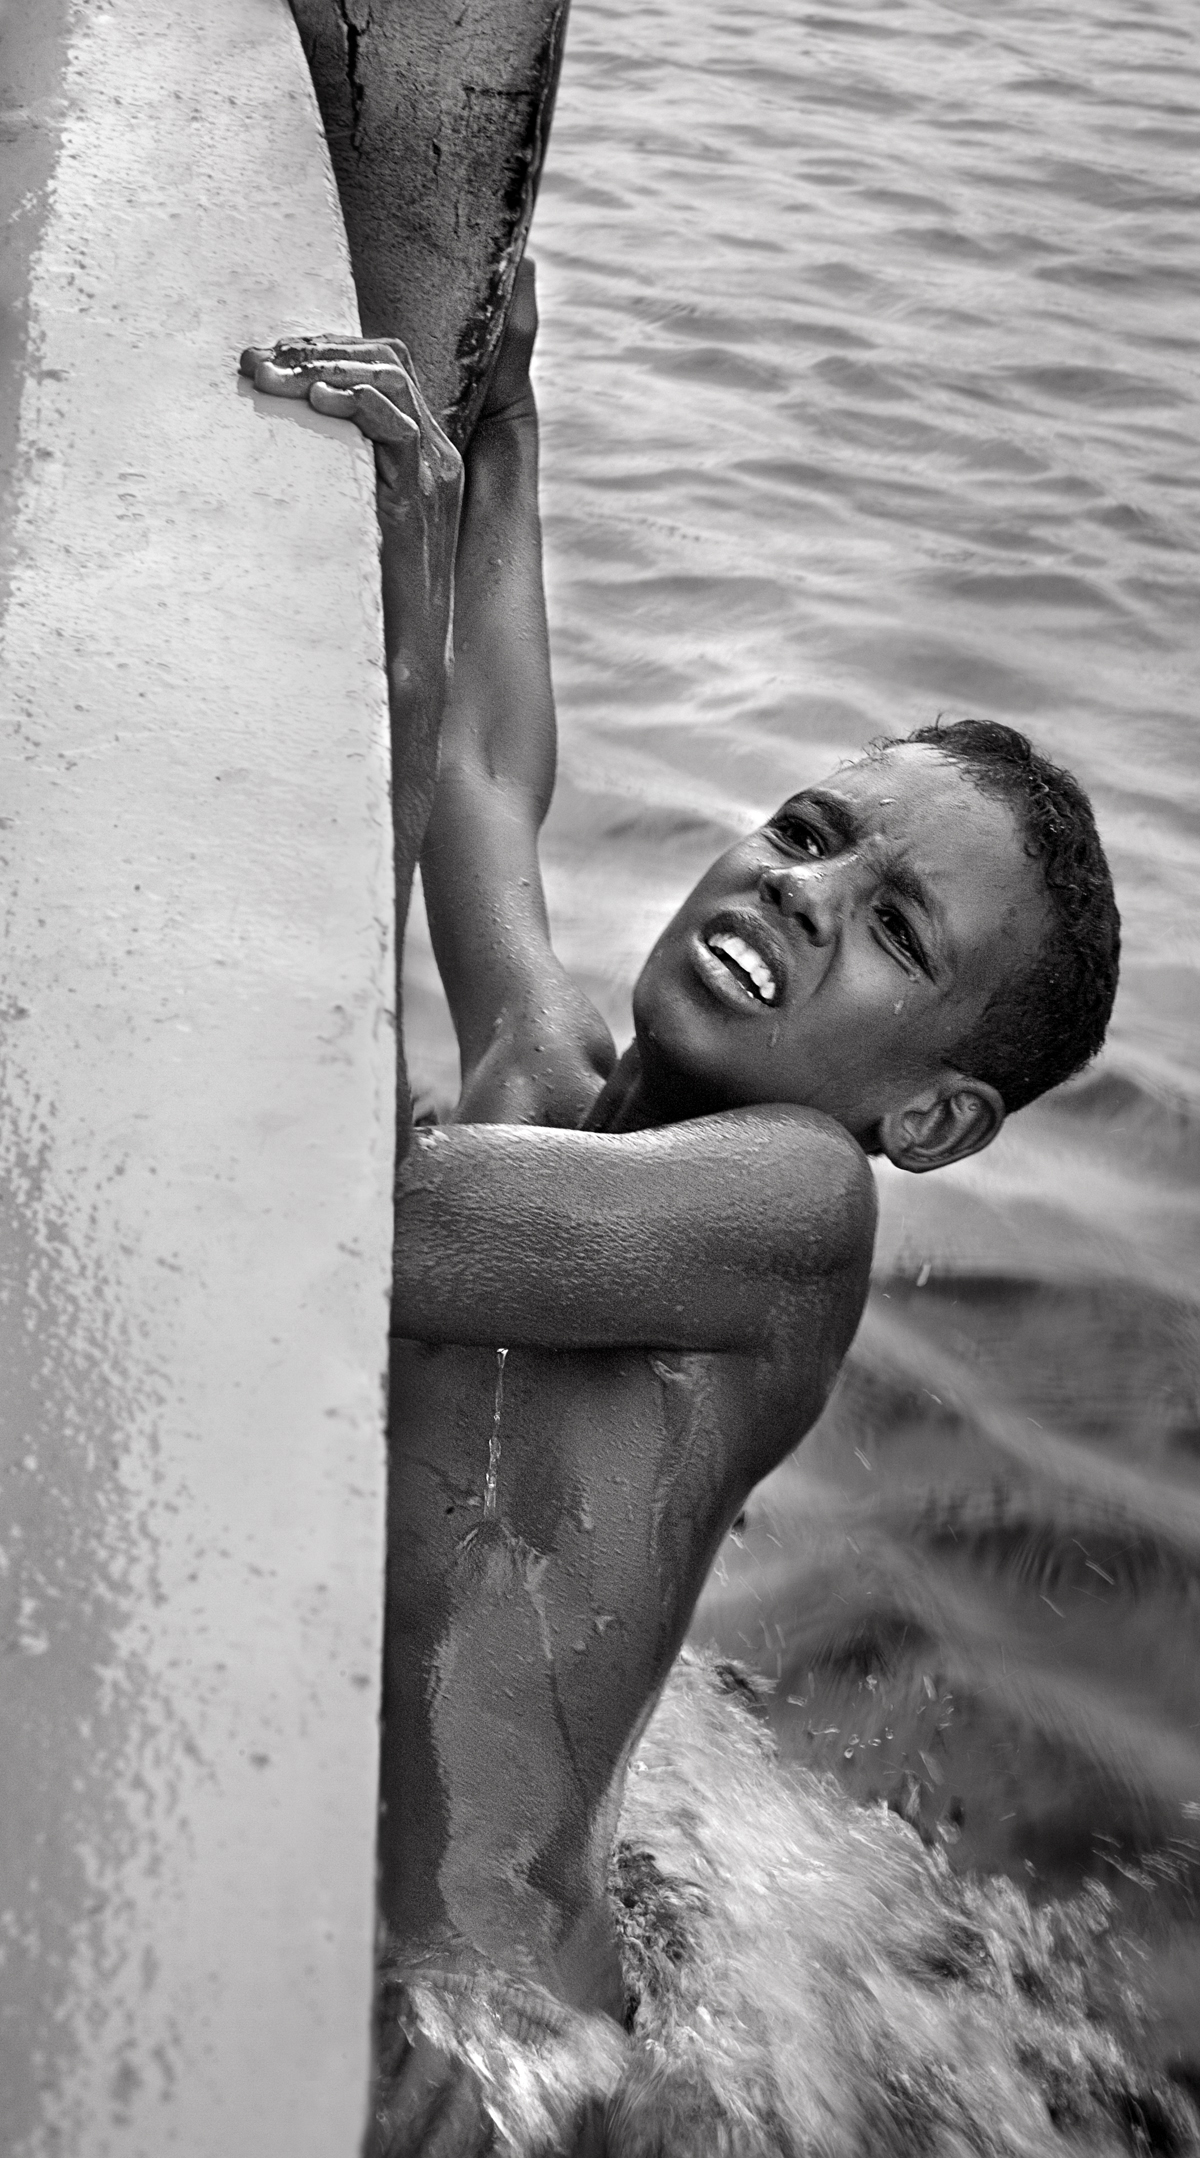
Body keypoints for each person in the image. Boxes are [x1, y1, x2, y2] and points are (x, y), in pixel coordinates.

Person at [241, 263, 1127, 2157]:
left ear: (940, 1113)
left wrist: (387, 607)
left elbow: (355, 1216)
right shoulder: (545, 1060)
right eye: (814, 828)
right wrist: (495, 413)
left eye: (896, 926)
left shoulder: (798, 1213)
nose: (808, 887)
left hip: (467, 2047)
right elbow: (489, 772)